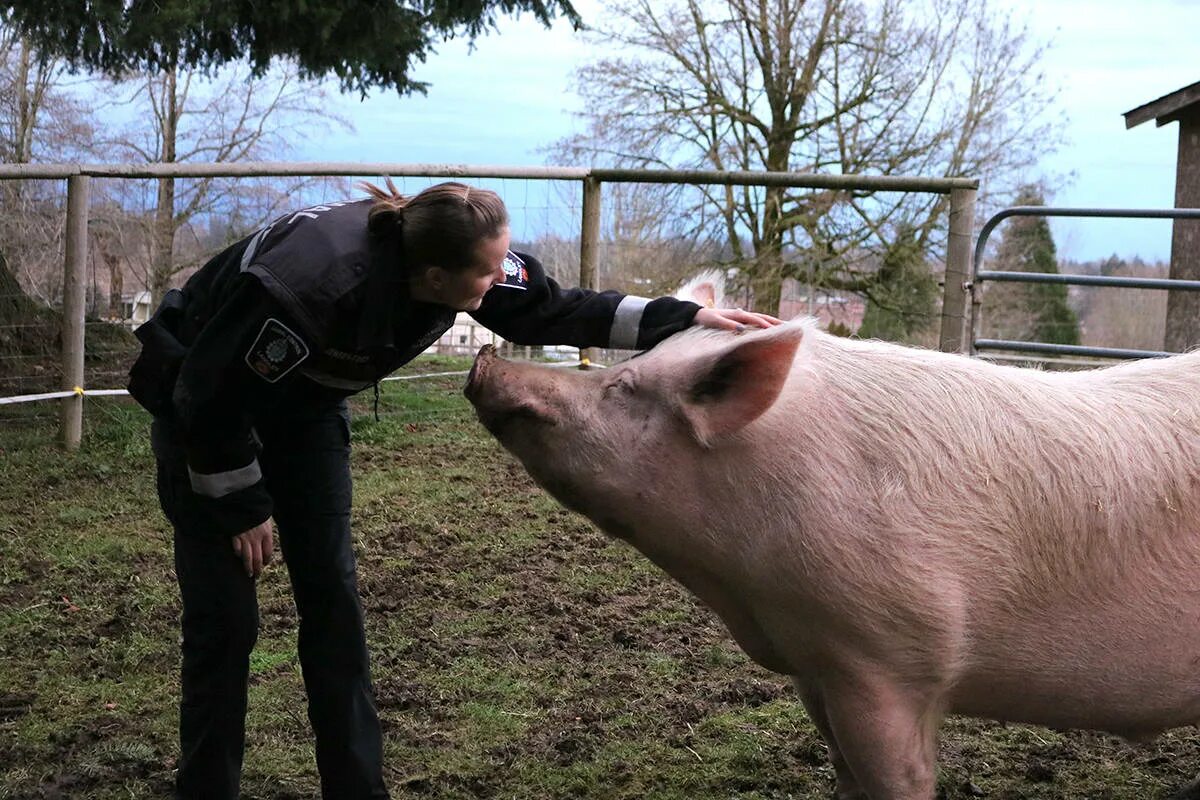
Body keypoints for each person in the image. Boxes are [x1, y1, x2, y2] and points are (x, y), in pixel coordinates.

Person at [126, 179, 780, 799]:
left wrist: (685, 318)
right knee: (226, 624)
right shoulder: (304, 291)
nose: (501, 278)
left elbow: (552, 306)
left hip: (305, 409)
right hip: (203, 414)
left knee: (331, 598)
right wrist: (240, 504)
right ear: (435, 279)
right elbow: (204, 396)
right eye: (489, 273)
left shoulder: (460, 255)